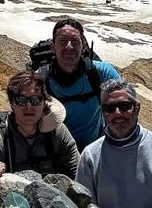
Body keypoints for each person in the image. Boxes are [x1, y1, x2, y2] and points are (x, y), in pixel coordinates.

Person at [75, 79, 152, 208]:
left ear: (137, 108)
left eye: (124, 106)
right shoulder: (90, 155)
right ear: (102, 112)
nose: (117, 113)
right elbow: (84, 203)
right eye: (109, 108)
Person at [36, 17, 119, 150]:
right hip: (56, 153)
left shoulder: (102, 73)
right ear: (53, 47)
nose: (69, 46)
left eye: (75, 41)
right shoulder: (40, 80)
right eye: (63, 41)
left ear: (83, 46)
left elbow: (125, 106)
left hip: (95, 150)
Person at [0, 70, 79, 177]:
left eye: (35, 100)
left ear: (44, 103)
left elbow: (78, 173)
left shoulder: (57, 132)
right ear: (12, 104)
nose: (28, 106)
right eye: (21, 100)